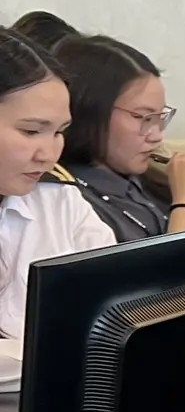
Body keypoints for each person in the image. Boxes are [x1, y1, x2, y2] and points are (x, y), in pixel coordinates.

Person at [0, 30, 116, 357]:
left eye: (59, 132)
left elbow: (117, 310)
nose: (49, 155)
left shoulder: (61, 201)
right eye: (31, 131)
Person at [50, 35, 185, 240]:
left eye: (160, 117)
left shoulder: (139, 179)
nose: (157, 135)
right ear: (88, 112)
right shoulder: (67, 201)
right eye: (142, 117)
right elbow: (179, 261)